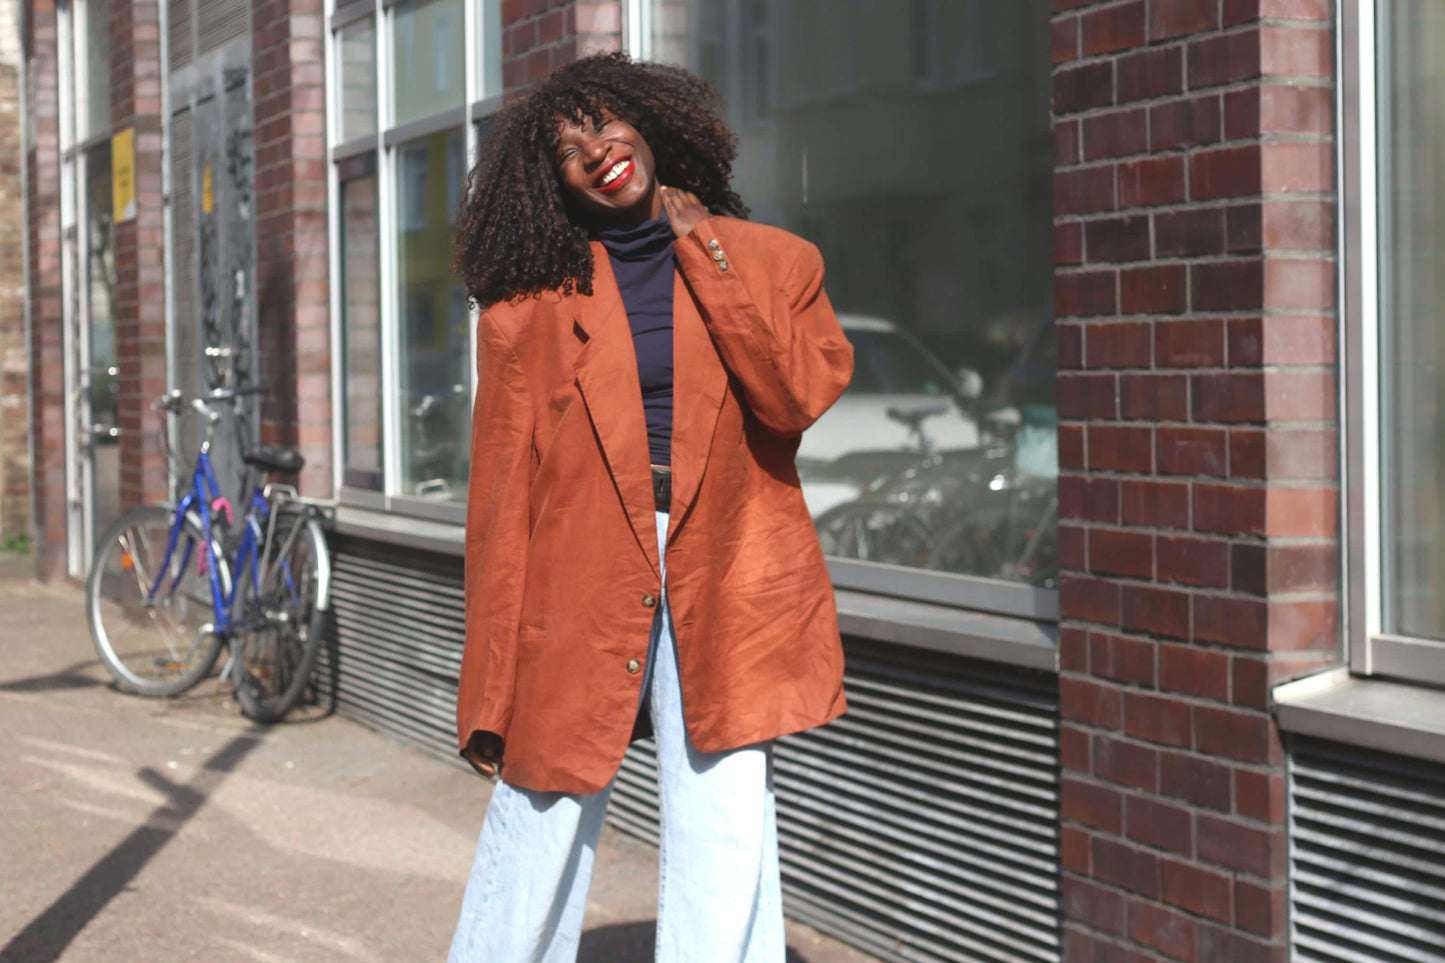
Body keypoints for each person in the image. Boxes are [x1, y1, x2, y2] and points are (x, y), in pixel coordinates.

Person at [446, 52, 854, 962]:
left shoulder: (774, 261)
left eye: (603, 122)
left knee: (724, 812)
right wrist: (490, 672)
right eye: (565, 147)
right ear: (549, 181)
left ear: (648, 121)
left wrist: (703, 249)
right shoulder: (525, 310)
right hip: (580, 565)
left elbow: (792, 398)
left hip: (730, 563)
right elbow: (501, 497)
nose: (595, 150)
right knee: (540, 803)